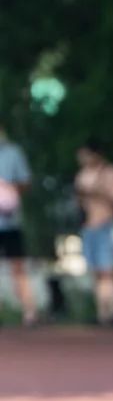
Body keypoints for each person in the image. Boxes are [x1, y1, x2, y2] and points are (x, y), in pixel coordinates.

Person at [74, 144, 113, 326]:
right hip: (89, 227)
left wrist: (96, 191)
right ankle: (102, 313)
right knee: (96, 271)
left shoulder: (110, 173)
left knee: (109, 270)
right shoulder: (82, 175)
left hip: (106, 224)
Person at [0, 124, 37, 327]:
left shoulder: (13, 153)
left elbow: (25, 182)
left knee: (18, 267)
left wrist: (7, 190)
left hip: (10, 221)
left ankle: (29, 312)